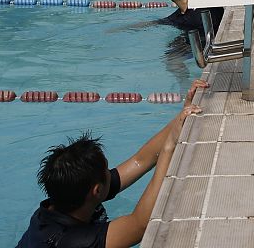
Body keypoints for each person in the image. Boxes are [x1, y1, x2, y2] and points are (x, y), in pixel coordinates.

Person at [16, 81, 206, 248]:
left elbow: (140, 160)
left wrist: (182, 116)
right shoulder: (73, 241)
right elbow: (140, 224)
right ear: (97, 191)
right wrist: (169, 149)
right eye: (107, 170)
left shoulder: (66, 199)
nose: (112, 172)